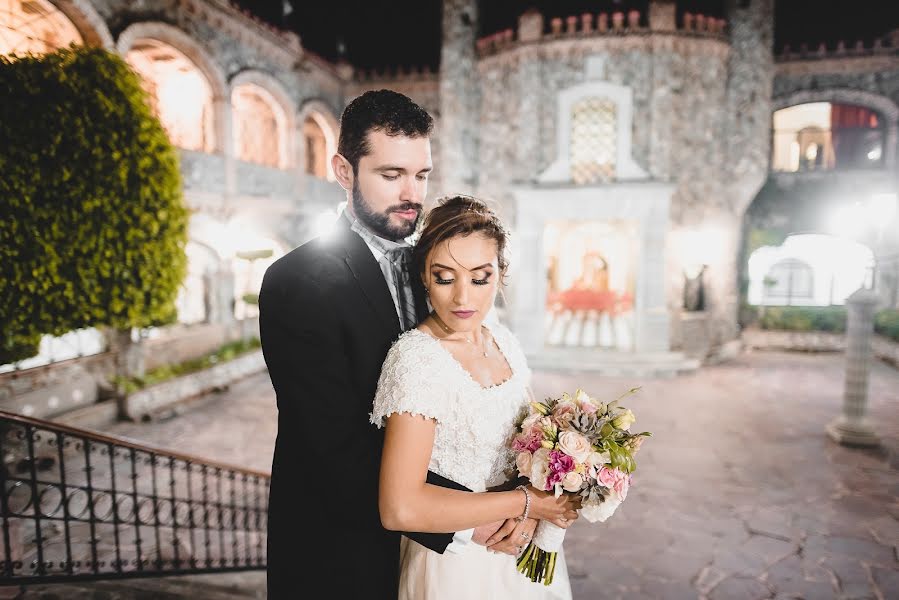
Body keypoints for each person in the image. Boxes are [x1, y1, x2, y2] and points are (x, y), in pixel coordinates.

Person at [259, 90, 475, 598]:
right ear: (344, 169)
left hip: (433, 556)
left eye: (421, 175)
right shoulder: (297, 282)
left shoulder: (438, 269)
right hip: (340, 551)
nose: (412, 193)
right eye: (391, 174)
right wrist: (470, 519)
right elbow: (331, 449)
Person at [371, 195, 577, 599]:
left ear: (500, 274)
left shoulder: (505, 343)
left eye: (479, 278)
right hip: (457, 568)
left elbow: (536, 446)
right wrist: (525, 504)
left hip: (520, 551)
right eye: (445, 277)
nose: (463, 299)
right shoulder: (417, 359)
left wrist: (567, 479)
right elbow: (399, 507)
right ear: (425, 278)